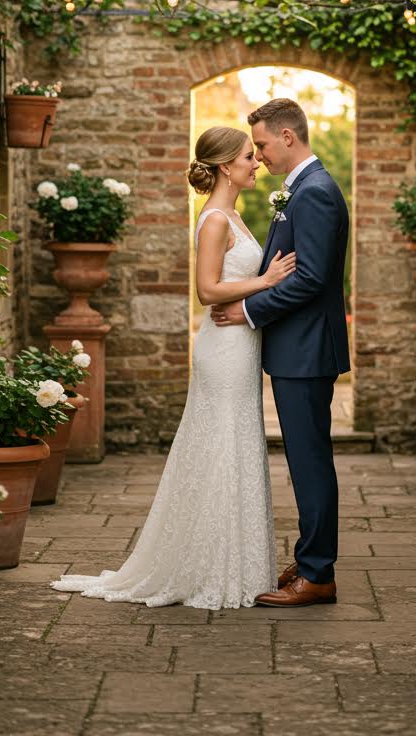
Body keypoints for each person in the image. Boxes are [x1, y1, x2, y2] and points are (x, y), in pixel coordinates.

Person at [50, 125, 294, 609]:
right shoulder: (215, 221)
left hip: (240, 343)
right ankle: (212, 568)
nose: (256, 162)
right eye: (249, 156)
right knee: (223, 442)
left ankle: (235, 562)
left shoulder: (234, 215)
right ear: (226, 166)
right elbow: (207, 290)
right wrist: (265, 280)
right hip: (222, 347)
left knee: (237, 442)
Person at [211, 97, 350, 608]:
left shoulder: (313, 193)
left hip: (307, 348)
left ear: (288, 137)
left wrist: (248, 312)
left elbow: (310, 279)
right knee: (304, 459)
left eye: (264, 144)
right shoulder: (303, 189)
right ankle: (311, 557)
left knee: (309, 462)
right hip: (300, 348)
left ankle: (318, 574)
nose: (261, 155)